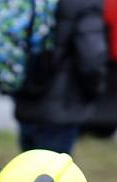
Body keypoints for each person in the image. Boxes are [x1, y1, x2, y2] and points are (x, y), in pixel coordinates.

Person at [14, 0, 107, 155]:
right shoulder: (83, 4)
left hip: (26, 99)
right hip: (62, 106)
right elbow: (92, 56)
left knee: (29, 169)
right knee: (52, 173)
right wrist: (95, 89)